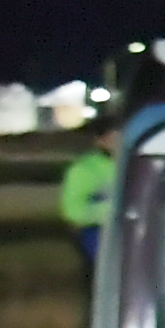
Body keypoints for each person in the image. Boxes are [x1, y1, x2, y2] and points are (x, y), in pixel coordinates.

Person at [58, 125, 117, 292]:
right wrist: (114, 210)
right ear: (101, 141)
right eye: (114, 137)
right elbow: (73, 211)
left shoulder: (142, 166)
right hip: (98, 240)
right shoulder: (84, 170)